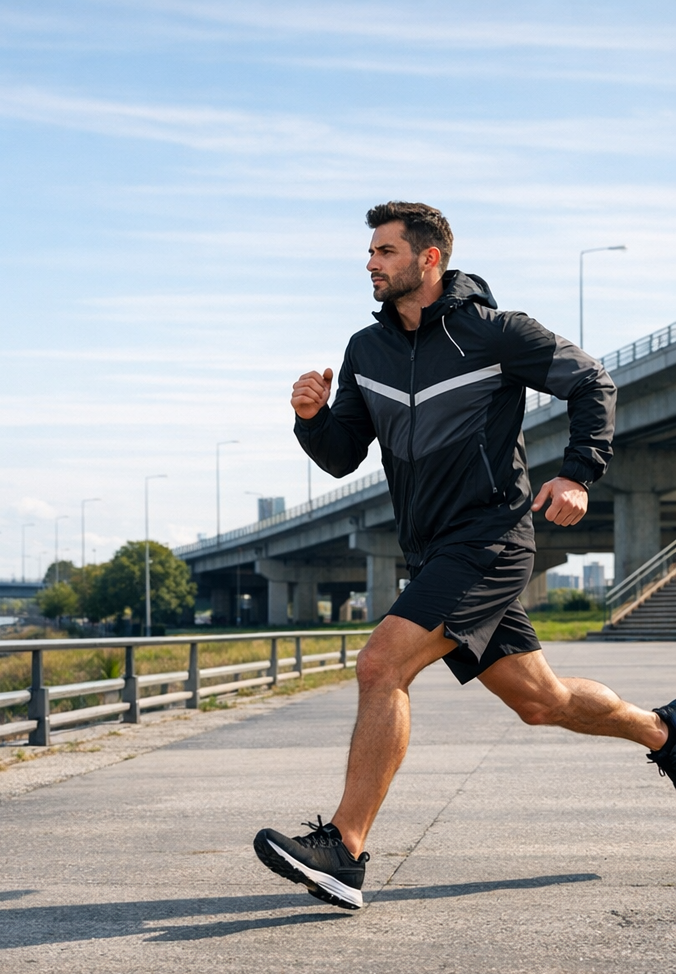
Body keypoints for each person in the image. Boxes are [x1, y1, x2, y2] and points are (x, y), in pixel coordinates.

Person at [253, 201, 676, 911]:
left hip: (490, 538)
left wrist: (577, 472)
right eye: (370, 251)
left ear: (429, 258)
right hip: (431, 553)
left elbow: (591, 382)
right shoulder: (366, 350)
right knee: (542, 701)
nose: (370, 263)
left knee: (382, 664)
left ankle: (344, 851)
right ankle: (665, 732)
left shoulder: (494, 333)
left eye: (385, 251)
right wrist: (311, 419)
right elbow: (342, 455)